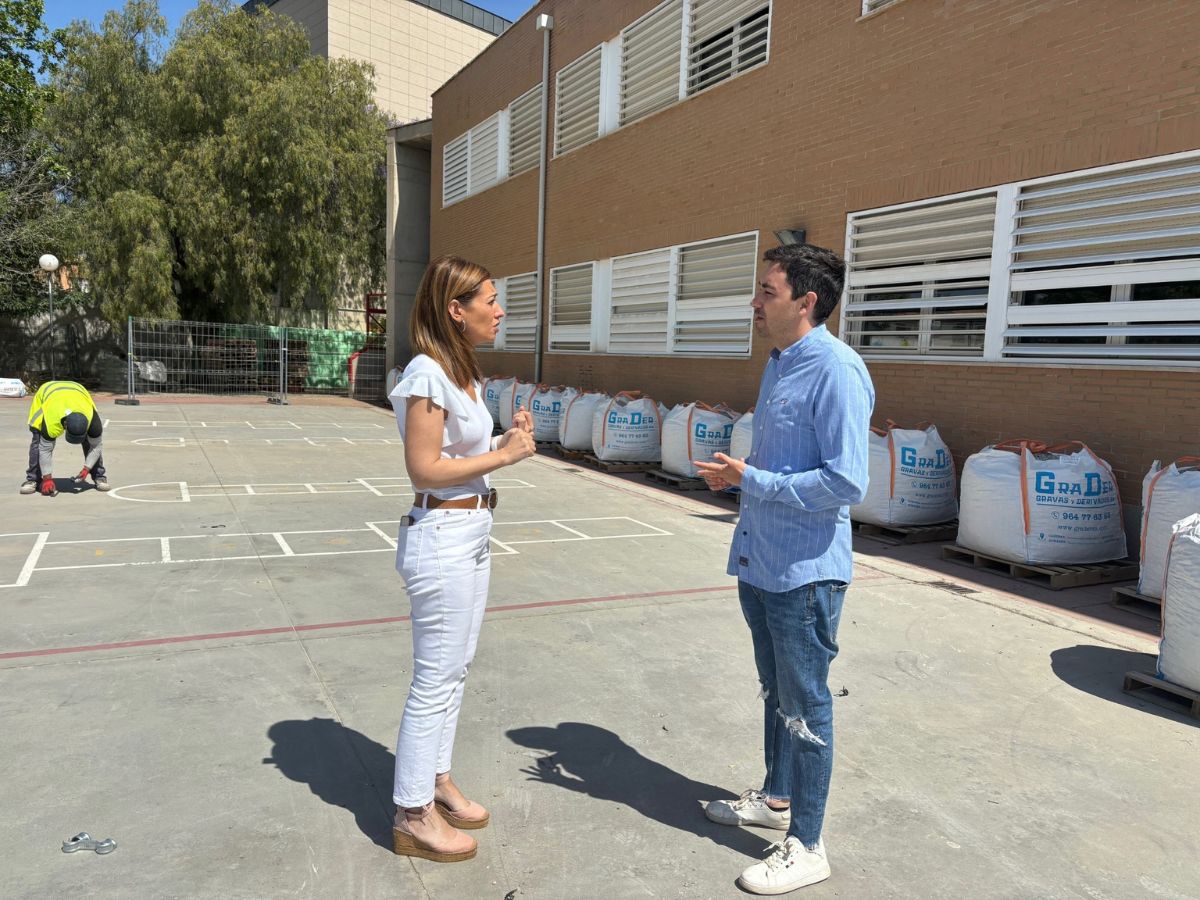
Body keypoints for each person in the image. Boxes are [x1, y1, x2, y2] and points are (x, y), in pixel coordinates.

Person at [694, 243, 874, 895]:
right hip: (761, 560)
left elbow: (847, 480)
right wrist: (737, 481)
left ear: (806, 302)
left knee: (806, 705)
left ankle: (809, 843)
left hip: (805, 573)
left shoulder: (838, 371)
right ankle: (775, 801)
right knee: (775, 692)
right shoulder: (778, 364)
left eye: (766, 292)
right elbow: (780, 467)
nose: (755, 303)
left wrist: (757, 481)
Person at [388, 255, 536, 863]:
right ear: (456, 309)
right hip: (442, 537)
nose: (499, 311)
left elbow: (460, 452)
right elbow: (424, 468)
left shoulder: (461, 372)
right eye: (490, 301)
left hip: (471, 531)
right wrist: (504, 459)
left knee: (456, 668)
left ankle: (437, 781)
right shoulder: (427, 372)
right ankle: (412, 814)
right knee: (434, 678)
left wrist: (506, 439)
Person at [21, 380, 111, 496]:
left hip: (78, 391)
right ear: (65, 426)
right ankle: (33, 479)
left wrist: (86, 469)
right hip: (48, 393)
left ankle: (99, 476)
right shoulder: (52, 422)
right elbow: (45, 449)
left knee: (91, 442)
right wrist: (47, 478)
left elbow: (96, 447)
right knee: (38, 441)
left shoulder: (93, 421)